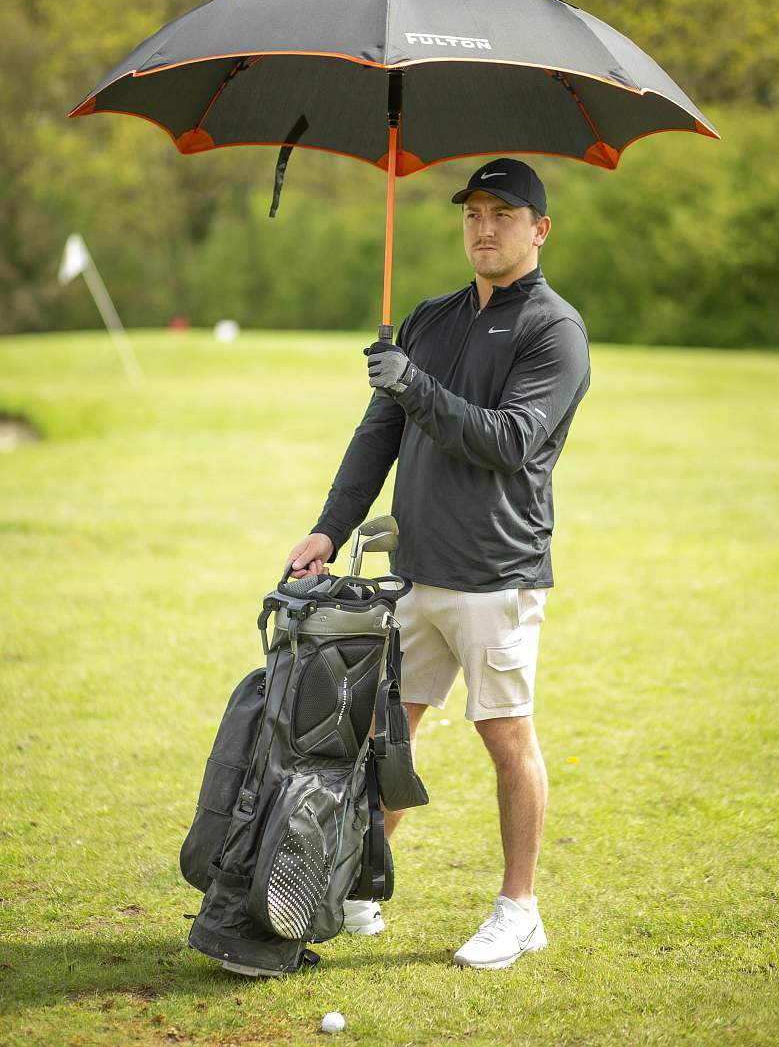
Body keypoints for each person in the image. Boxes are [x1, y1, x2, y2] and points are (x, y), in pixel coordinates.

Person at [286, 158, 590, 970]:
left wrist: (414, 384)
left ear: (539, 230)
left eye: (503, 215)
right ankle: (358, 884)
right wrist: (328, 528)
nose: (484, 229)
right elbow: (377, 435)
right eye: (473, 214)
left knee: (505, 735)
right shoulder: (429, 317)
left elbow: (508, 442)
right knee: (386, 734)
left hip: (497, 573)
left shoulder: (554, 330)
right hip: (416, 569)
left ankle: (519, 911)